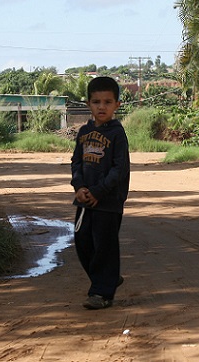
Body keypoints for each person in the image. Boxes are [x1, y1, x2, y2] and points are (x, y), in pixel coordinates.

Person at [71, 76, 130, 309]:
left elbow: (119, 169)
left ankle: (101, 293)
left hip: (108, 201)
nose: (101, 107)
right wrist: (79, 187)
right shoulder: (83, 132)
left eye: (107, 102)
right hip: (85, 200)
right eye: (96, 102)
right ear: (89, 104)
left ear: (117, 104)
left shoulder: (117, 133)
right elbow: (76, 162)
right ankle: (109, 277)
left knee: (104, 245)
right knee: (82, 242)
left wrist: (98, 191)